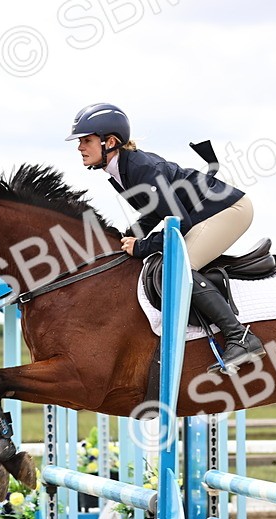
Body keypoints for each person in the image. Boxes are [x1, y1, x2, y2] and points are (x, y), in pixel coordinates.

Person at [66, 102, 265, 373]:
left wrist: (141, 247)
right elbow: (154, 212)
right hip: (205, 213)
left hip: (229, 211)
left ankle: (239, 337)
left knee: (179, 269)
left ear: (109, 142)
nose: (80, 147)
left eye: (86, 140)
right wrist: (127, 236)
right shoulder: (121, 170)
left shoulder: (140, 169)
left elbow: (179, 223)